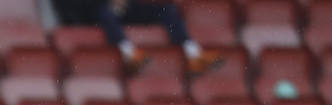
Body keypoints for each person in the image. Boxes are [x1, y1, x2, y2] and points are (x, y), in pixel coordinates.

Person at [53, 0, 223, 75]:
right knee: (105, 14)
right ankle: (129, 55)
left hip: (121, 8)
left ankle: (193, 54)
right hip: (92, 13)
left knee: (167, 10)